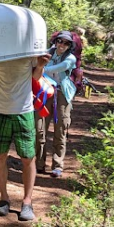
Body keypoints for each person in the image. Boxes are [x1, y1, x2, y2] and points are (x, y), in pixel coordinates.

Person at [0, 54, 49, 222]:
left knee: (28, 158)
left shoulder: (29, 51)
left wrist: (40, 66)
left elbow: (35, 77)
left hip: (24, 111)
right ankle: (4, 199)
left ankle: (27, 202)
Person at [36, 31, 77, 178]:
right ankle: (38, 164)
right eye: (60, 41)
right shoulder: (47, 53)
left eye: (66, 43)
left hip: (62, 94)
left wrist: (39, 68)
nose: (62, 45)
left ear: (70, 46)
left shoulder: (70, 58)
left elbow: (57, 68)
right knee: (39, 128)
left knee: (60, 129)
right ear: (55, 41)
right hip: (44, 92)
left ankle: (57, 166)